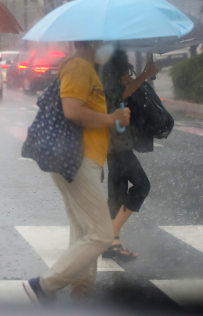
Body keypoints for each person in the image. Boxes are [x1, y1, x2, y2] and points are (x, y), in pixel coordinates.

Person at [23, 41, 131, 306]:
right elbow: (72, 111)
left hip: (87, 161)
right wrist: (113, 118)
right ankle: (44, 285)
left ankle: (81, 297)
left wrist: (98, 164)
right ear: (93, 41)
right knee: (102, 235)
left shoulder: (88, 69)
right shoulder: (78, 67)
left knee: (85, 233)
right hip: (76, 160)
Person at [100, 50, 158, 260]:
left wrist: (138, 76)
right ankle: (111, 236)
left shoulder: (110, 81)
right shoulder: (109, 86)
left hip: (116, 148)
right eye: (125, 71)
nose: (128, 75)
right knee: (142, 185)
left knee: (115, 197)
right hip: (117, 148)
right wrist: (144, 74)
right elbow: (118, 94)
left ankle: (110, 245)